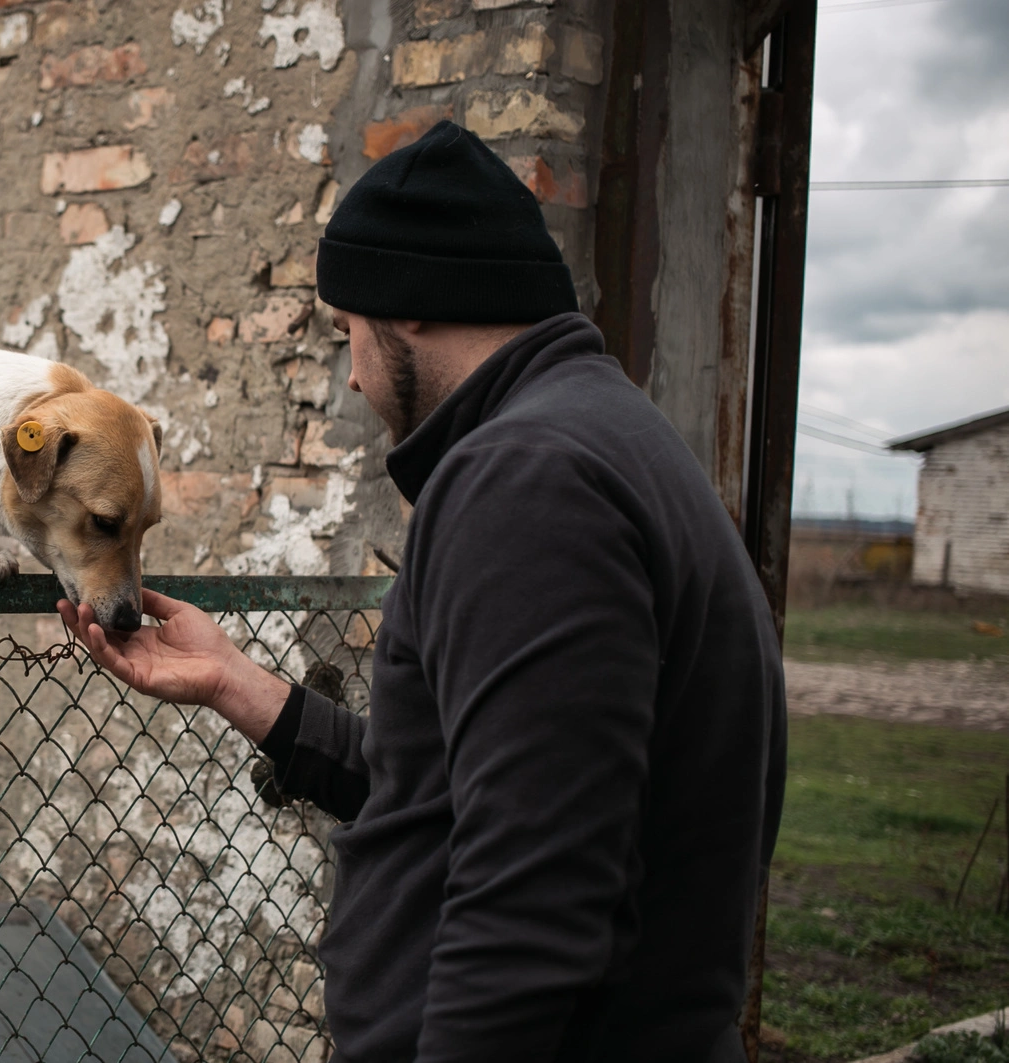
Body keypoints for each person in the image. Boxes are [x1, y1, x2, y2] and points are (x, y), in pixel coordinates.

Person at [57, 121, 786, 1063]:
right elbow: (470, 791)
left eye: (347, 332)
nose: (354, 374)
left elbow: (533, 898)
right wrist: (239, 684)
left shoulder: (529, 481)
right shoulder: (610, 437)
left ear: (407, 307)